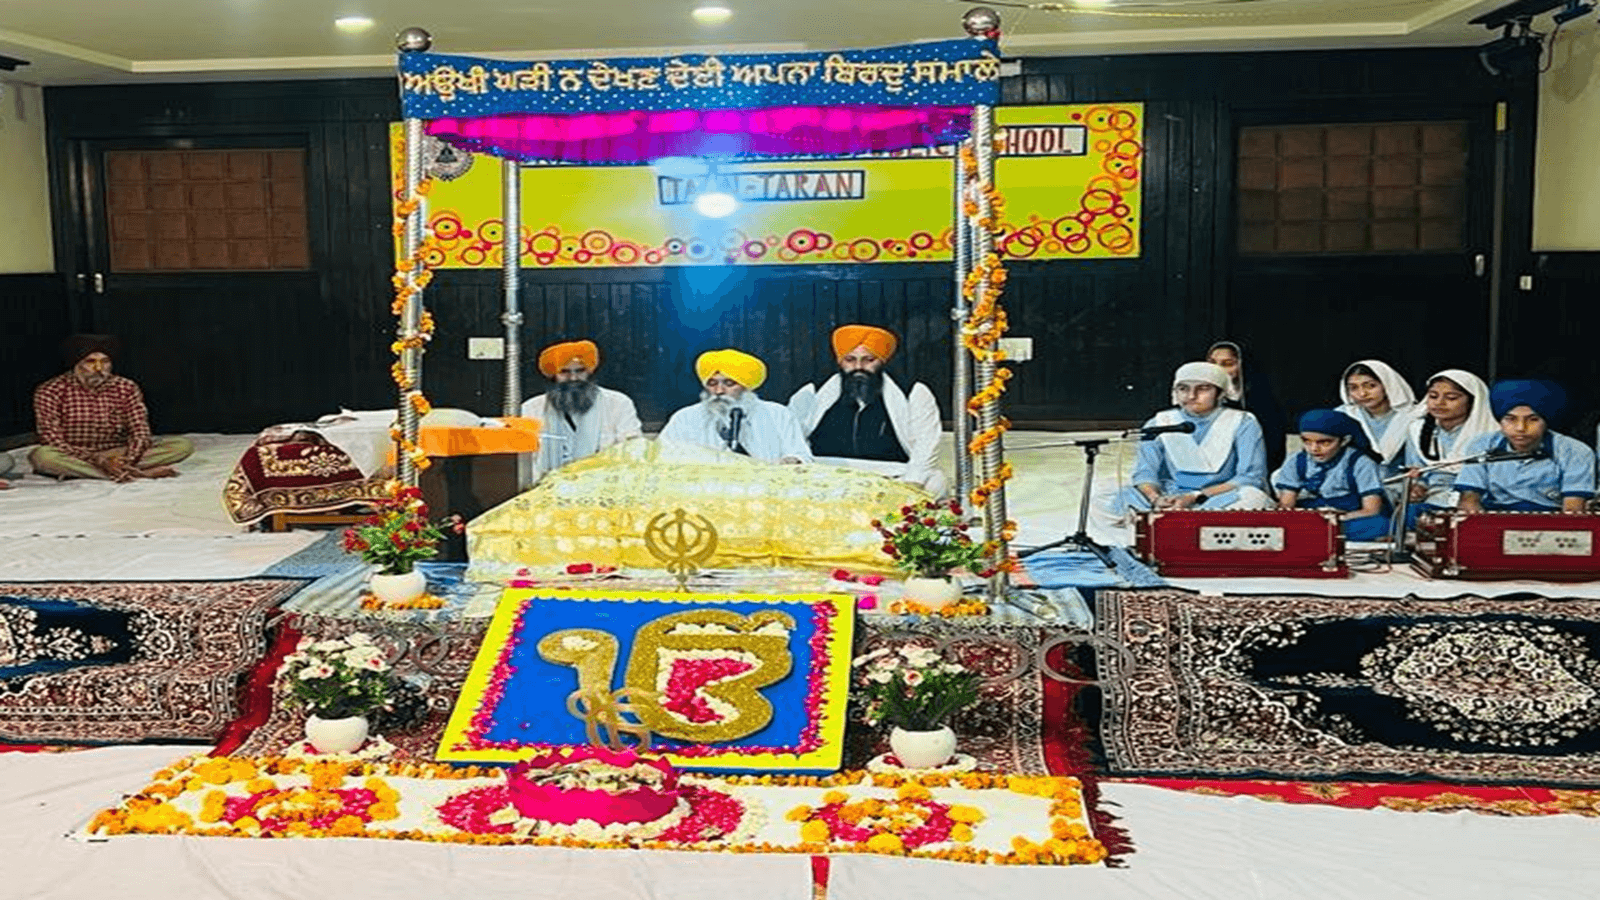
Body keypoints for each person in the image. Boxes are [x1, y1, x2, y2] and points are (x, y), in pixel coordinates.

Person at [1100, 361, 1272, 533]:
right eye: (1183, 389)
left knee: (1252, 497)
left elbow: (1250, 477)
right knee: (1103, 500)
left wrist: (1194, 497)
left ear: (1220, 393)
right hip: (1170, 497)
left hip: (1217, 499)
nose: (1191, 396)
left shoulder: (1243, 422)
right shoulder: (1160, 422)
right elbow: (1145, 473)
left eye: (1203, 389)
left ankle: (1176, 528)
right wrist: (1156, 499)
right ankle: (1169, 528)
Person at [788, 324, 945, 496]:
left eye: (869, 360)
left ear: (882, 361)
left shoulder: (914, 392)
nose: (858, 367)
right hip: (825, 474)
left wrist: (911, 486)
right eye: (850, 360)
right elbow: (791, 439)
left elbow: (926, 443)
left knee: (935, 481)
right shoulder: (812, 392)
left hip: (890, 476)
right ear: (839, 361)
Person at [30, 335, 193, 482]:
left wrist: (129, 458)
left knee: (182, 445)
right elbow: (52, 439)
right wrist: (99, 461)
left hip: (118, 452)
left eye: (105, 362)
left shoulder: (126, 387)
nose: (99, 368)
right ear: (77, 364)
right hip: (76, 454)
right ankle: (137, 474)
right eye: (90, 362)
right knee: (43, 457)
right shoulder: (50, 390)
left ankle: (112, 470)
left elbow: (140, 430)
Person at [1454, 379, 1595, 513]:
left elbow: (1573, 508)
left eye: (1533, 419)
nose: (1521, 428)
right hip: (1492, 517)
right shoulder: (1481, 444)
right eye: (1511, 419)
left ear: (1546, 421)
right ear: (1500, 421)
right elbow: (1469, 500)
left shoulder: (1575, 451)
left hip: (1552, 521)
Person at [658, 348, 812, 463]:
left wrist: (792, 460)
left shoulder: (777, 414)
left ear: (746, 386)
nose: (719, 391)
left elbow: (801, 454)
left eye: (729, 383)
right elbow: (661, 456)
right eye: (712, 383)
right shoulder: (685, 417)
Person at [519, 339, 642, 479]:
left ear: (589, 372)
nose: (573, 378)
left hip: (604, 482)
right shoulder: (531, 408)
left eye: (580, 371)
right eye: (564, 372)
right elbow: (525, 460)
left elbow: (632, 449)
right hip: (547, 483)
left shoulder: (618, 403)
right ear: (553, 375)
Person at [1272, 409, 1389, 541]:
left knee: (1380, 525)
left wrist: (1336, 518)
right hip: (1312, 514)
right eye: (1307, 442)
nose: (1314, 449)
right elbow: (1287, 504)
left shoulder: (1360, 463)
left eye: (1325, 443)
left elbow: (1372, 509)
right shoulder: (1296, 461)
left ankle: (1314, 535)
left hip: (1348, 515)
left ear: (1344, 440)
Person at [1399, 369, 1497, 524]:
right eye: (1433, 396)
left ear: (1473, 401)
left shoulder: (1491, 433)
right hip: (1433, 499)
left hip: (1477, 501)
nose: (1439, 403)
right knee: (1406, 517)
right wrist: (1417, 488)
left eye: (1451, 398)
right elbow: (1417, 471)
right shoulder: (1416, 430)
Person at [1207, 340, 1288, 472]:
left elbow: (1273, 445)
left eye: (1228, 364)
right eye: (1212, 363)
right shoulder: (1198, 398)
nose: (1217, 369)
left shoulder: (1261, 399)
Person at [1336, 359, 1416, 466]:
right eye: (1354, 388)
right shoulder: (1343, 415)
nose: (1362, 393)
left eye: (1371, 386)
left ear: (1387, 385)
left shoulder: (1413, 415)